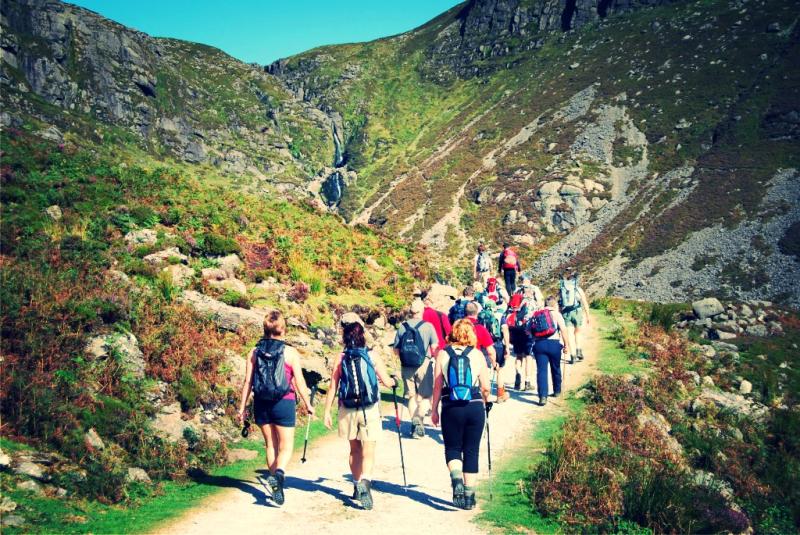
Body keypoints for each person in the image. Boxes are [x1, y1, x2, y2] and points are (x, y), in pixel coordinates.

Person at [238, 310, 313, 506]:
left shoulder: (254, 352)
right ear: (283, 329)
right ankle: (278, 476)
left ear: (264, 329)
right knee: (286, 446)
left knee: (271, 445)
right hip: (284, 402)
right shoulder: (290, 353)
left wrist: (241, 407)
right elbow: (300, 381)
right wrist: (308, 403)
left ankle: (275, 485)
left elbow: (247, 382)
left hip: (262, 403)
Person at [323, 322, 398, 510]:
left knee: (354, 449)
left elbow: (333, 386)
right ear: (363, 335)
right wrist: (395, 380)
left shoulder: (340, 358)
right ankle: (366, 481)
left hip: (347, 409)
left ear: (345, 338)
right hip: (369, 408)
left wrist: (326, 412)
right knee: (369, 449)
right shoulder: (371, 355)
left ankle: (357, 485)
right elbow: (387, 382)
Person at [430, 319, 491, 510]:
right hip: (473, 405)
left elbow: (437, 386)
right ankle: (469, 497)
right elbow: (486, 388)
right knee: (471, 450)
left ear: (453, 333)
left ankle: (456, 479)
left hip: (451, 406)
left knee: (453, 448)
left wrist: (434, 410)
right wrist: (486, 401)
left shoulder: (442, 354)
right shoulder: (478, 355)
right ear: (471, 334)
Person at [393, 299, 439, 438]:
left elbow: (396, 350)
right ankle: (418, 417)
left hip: (407, 366)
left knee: (411, 395)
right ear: (421, 311)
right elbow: (434, 347)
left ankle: (414, 427)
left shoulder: (402, 327)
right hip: (424, 364)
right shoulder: (428, 326)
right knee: (426, 396)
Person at [531, 296, 572, 406]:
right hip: (554, 344)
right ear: (555, 305)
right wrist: (566, 345)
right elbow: (563, 330)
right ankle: (557, 390)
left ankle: (542, 396)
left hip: (539, 345)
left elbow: (530, 330)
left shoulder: (537, 313)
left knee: (542, 371)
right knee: (556, 367)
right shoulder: (557, 314)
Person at [502, 293, 533, 391]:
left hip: (515, 337)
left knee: (519, 356)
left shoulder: (509, 312)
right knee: (528, 357)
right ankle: (527, 381)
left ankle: (517, 377)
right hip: (526, 336)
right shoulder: (527, 310)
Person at [559, 271, 591, 364]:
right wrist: (588, 315)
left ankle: (572, 356)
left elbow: (560, 303)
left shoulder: (562, 289)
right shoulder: (578, 289)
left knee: (569, 334)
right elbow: (584, 302)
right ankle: (579, 350)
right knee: (577, 333)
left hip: (566, 313)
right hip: (577, 312)